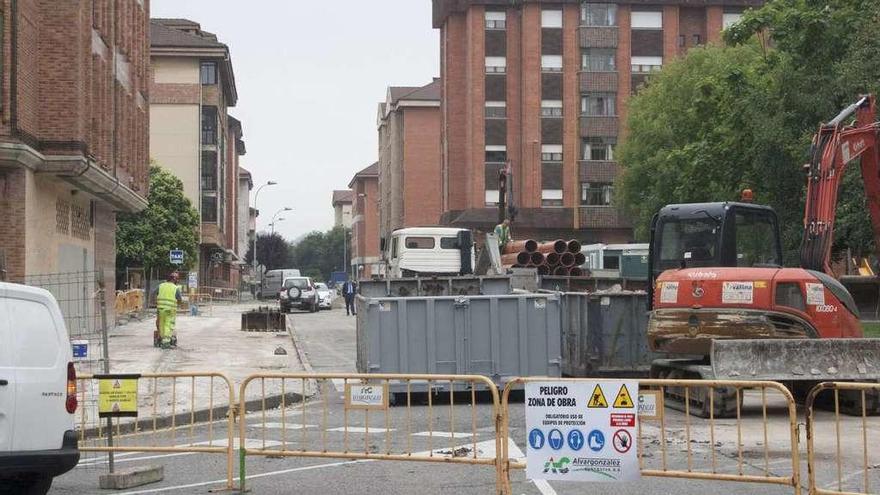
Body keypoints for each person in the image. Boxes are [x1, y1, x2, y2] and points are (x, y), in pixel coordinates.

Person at [156, 272, 183, 349]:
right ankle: (166, 342)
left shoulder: (161, 286)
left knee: (161, 324)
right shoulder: (175, 288)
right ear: (174, 279)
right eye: (177, 279)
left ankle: (161, 339)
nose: (178, 280)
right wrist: (179, 304)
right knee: (168, 325)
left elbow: (154, 293)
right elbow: (180, 299)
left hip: (160, 309)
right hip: (170, 310)